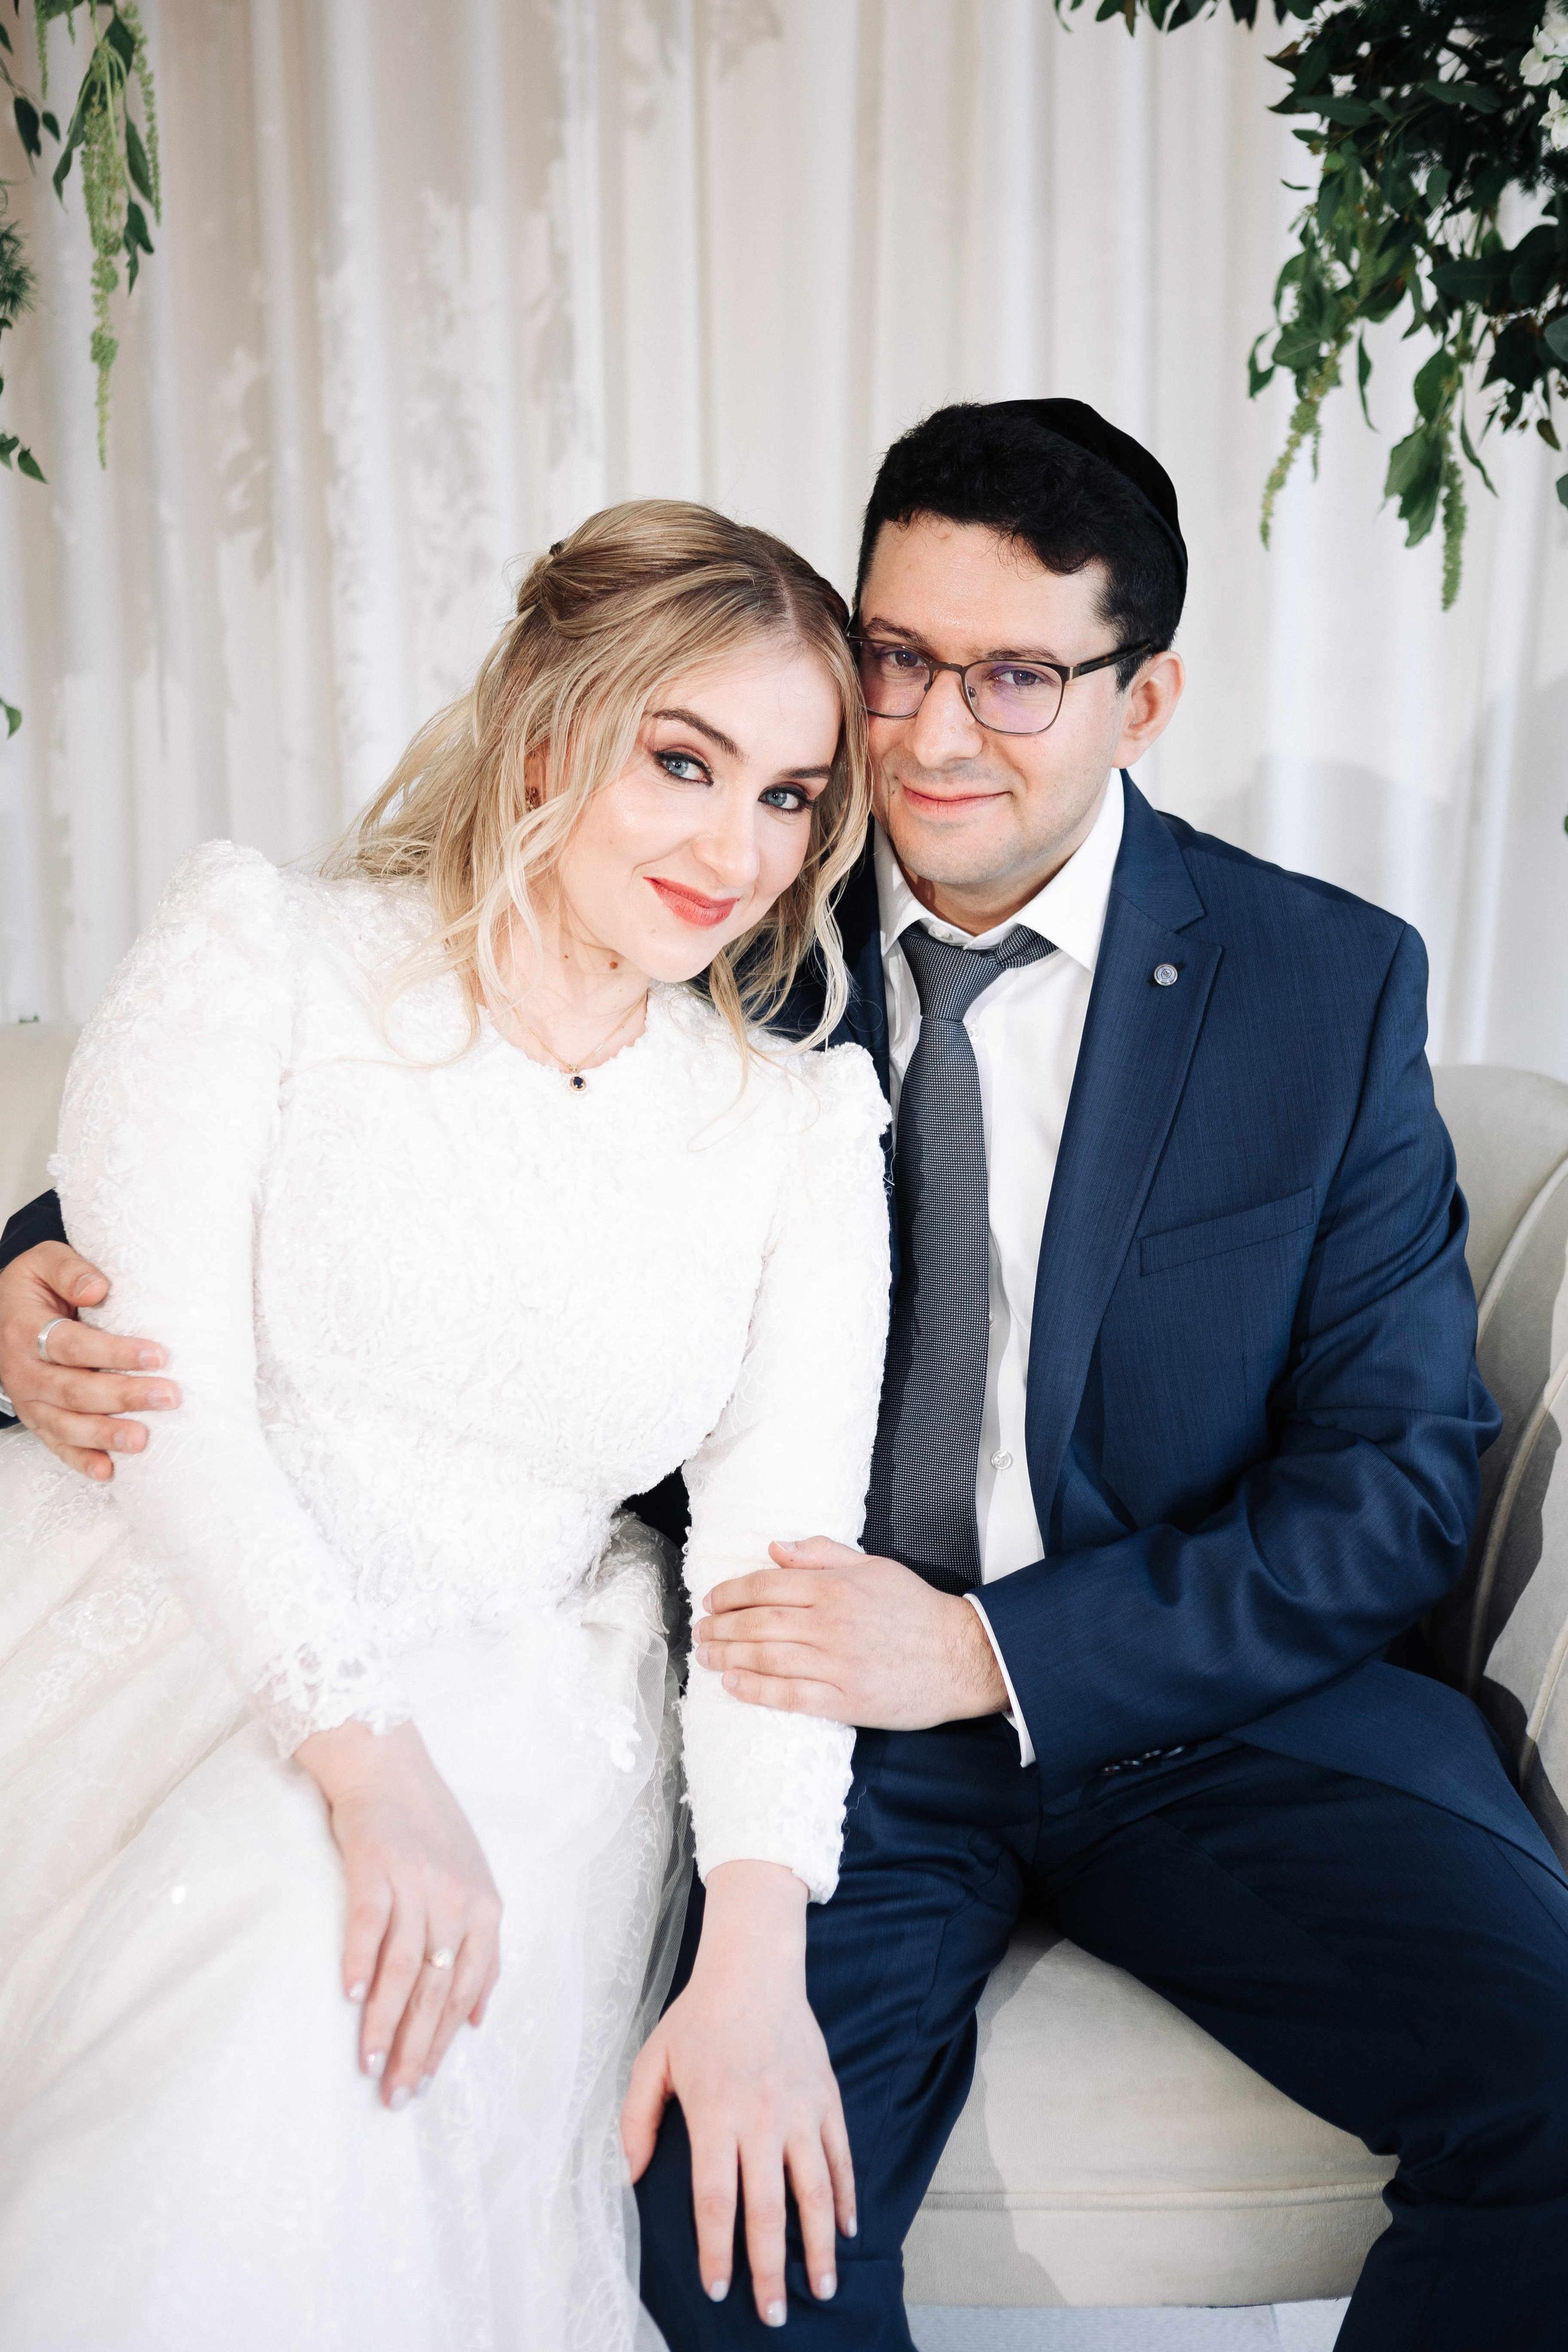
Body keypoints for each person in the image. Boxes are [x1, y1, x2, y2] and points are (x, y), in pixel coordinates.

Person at [619, 402, 1568, 2349]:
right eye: (894, 655)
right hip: (829, 1742)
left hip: (1206, 1709)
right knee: (732, 2230)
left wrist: (990, 1655)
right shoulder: (718, 914)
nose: (930, 734)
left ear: (1146, 699)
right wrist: (42, 1267)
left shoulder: (1322, 985)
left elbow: (1394, 1484)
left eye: (1019, 676)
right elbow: (367, 1072)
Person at [0, 499, 891, 2350]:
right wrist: (362, 1754)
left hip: (530, 1695)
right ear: (551, 728)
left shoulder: (797, 1133)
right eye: (684, 761)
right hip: (177, 1608)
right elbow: (168, 1404)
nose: (738, 848)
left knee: (311, 1983)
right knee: (266, 1921)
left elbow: (772, 1574)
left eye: (791, 797)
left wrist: (756, 1945)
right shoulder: (266, 952)